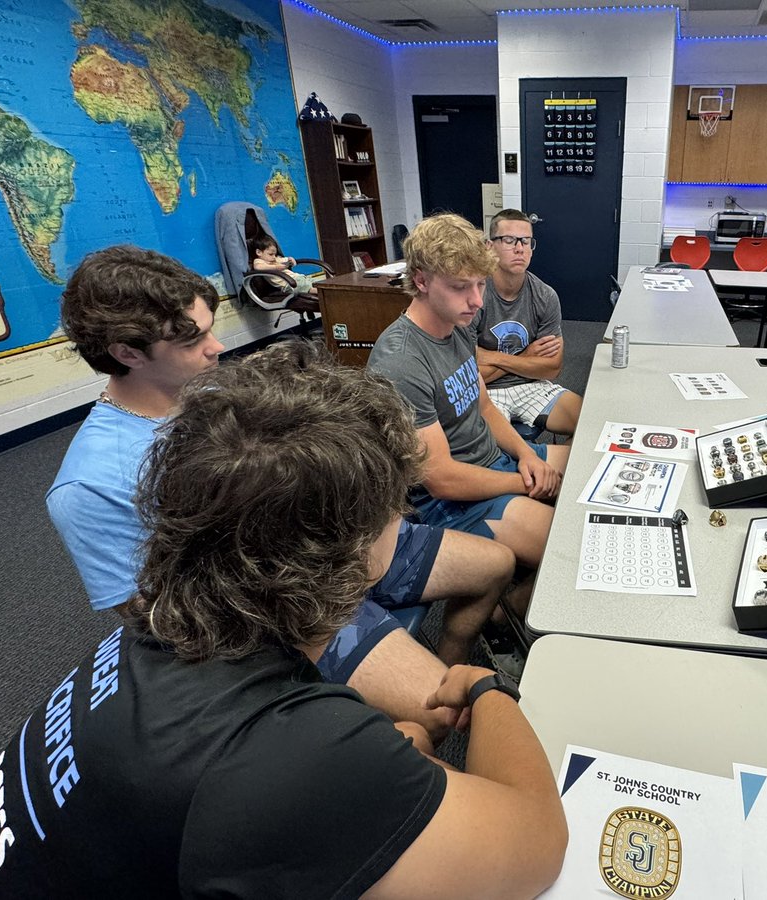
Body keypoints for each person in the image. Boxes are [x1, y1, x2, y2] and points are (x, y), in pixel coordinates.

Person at [0, 341, 568, 897]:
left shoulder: (161, 627)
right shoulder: (285, 758)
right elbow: (539, 842)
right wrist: (487, 689)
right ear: (361, 551)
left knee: (409, 745)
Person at [46, 246, 515, 739]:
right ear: (127, 353)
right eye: (191, 339)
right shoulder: (89, 484)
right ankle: (384, 730)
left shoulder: (218, 390)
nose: (216, 348)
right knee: (438, 715)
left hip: (339, 552)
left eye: (210, 327)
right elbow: (157, 619)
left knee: (495, 565)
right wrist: (307, 580)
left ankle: (440, 668)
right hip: (277, 610)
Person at [368, 214, 570, 573]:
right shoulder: (401, 360)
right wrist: (526, 481)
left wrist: (526, 454)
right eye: (461, 287)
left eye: (480, 284)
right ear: (421, 281)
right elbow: (442, 478)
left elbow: (486, 408)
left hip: (490, 461)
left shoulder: (456, 325)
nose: (476, 301)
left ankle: (505, 602)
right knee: (570, 554)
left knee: (589, 465)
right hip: (448, 501)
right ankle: (497, 614)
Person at [473, 209, 582, 436]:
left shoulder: (545, 295)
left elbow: (552, 368)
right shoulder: (474, 295)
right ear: (489, 247)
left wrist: (489, 356)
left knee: (589, 423)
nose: (519, 248)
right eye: (509, 240)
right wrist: (527, 356)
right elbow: (467, 375)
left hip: (533, 386)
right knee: (490, 449)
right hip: (485, 392)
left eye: (526, 241)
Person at [249, 233, 317, 298]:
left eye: (275, 254)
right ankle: (321, 293)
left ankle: (323, 291)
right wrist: (275, 267)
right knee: (306, 287)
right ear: (259, 252)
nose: (274, 257)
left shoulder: (275, 259)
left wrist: (290, 259)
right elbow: (258, 267)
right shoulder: (259, 261)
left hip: (298, 278)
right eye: (270, 254)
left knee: (314, 282)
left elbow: (285, 259)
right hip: (288, 285)